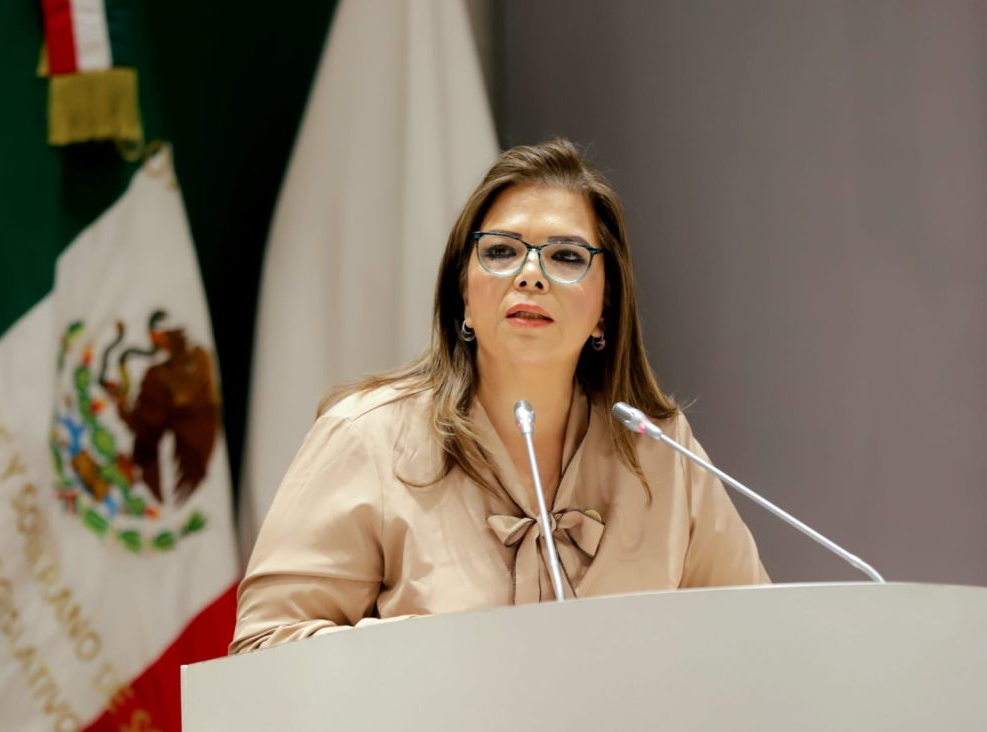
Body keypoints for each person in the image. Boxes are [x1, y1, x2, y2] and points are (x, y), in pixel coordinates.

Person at [230, 138, 769, 654]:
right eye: (502, 251)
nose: (530, 275)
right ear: (464, 294)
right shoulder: (367, 438)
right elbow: (265, 646)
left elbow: (756, 639)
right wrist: (428, 655)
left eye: (566, 256)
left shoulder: (661, 451)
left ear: (606, 307)